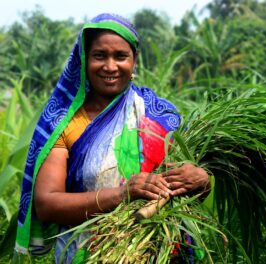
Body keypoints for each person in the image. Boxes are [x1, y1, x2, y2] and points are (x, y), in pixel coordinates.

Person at [15, 13, 210, 263]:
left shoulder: (161, 116)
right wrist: (122, 194)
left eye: (120, 56)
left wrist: (202, 181)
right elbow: (47, 204)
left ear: (134, 60)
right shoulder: (63, 123)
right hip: (86, 253)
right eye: (99, 56)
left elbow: (186, 188)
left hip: (159, 252)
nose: (110, 66)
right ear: (85, 59)